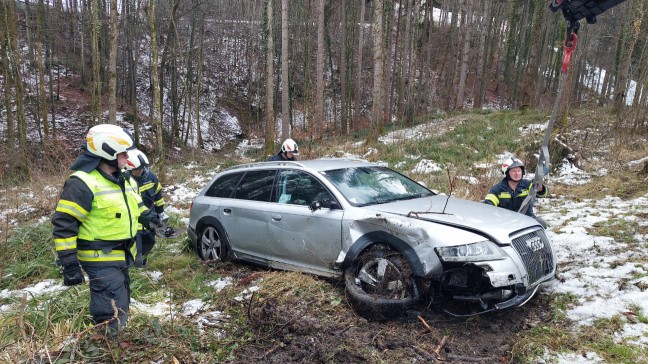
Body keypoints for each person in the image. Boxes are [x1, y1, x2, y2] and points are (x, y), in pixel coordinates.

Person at [52, 124, 152, 336]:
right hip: (98, 255)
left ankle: (116, 341)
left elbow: (133, 205)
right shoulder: (82, 183)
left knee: (122, 299)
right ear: (106, 152)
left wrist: (151, 219)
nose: (127, 158)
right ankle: (109, 346)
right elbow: (64, 224)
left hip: (122, 252)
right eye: (122, 153)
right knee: (110, 307)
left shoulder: (121, 178)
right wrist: (69, 264)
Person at [125, 149, 166, 266]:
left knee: (149, 242)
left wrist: (160, 212)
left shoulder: (150, 177)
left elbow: (158, 194)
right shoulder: (125, 182)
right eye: (138, 169)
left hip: (150, 218)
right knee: (135, 249)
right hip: (134, 223)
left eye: (142, 168)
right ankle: (135, 267)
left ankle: (142, 261)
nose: (141, 170)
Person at [484, 157, 548, 228]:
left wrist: (541, 189)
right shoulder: (497, 189)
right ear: (506, 173)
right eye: (514, 171)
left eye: (519, 171)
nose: (517, 173)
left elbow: (542, 194)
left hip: (527, 221)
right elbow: (488, 206)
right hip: (506, 224)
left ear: (522, 172)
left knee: (541, 223)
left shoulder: (529, 185)